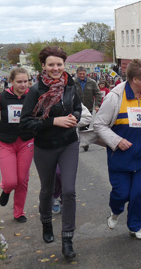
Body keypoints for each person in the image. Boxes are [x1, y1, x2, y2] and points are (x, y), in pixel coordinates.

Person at [20, 46, 82, 261]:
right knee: (47, 189)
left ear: (64, 65)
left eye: (59, 64)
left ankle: (67, 238)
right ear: (44, 67)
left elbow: (77, 108)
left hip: (69, 143)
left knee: (69, 190)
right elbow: (26, 122)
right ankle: (46, 222)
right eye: (51, 65)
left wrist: (74, 116)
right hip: (45, 146)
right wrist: (52, 121)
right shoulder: (36, 90)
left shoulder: (70, 85)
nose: (56, 68)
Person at [93, 59, 141, 240]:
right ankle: (116, 211)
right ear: (135, 79)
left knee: (140, 193)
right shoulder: (115, 96)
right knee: (121, 194)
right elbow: (99, 124)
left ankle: (135, 225)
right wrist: (117, 141)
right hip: (120, 157)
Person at [0, 68, 34, 223]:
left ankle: (19, 212)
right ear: (11, 81)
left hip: (26, 141)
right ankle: (6, 189)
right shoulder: (3, 97)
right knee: (10, 181)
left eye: (26, 81)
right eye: (19, 81)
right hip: (6, 142)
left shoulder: (32, 97)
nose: (23, 84)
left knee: (22, 180)